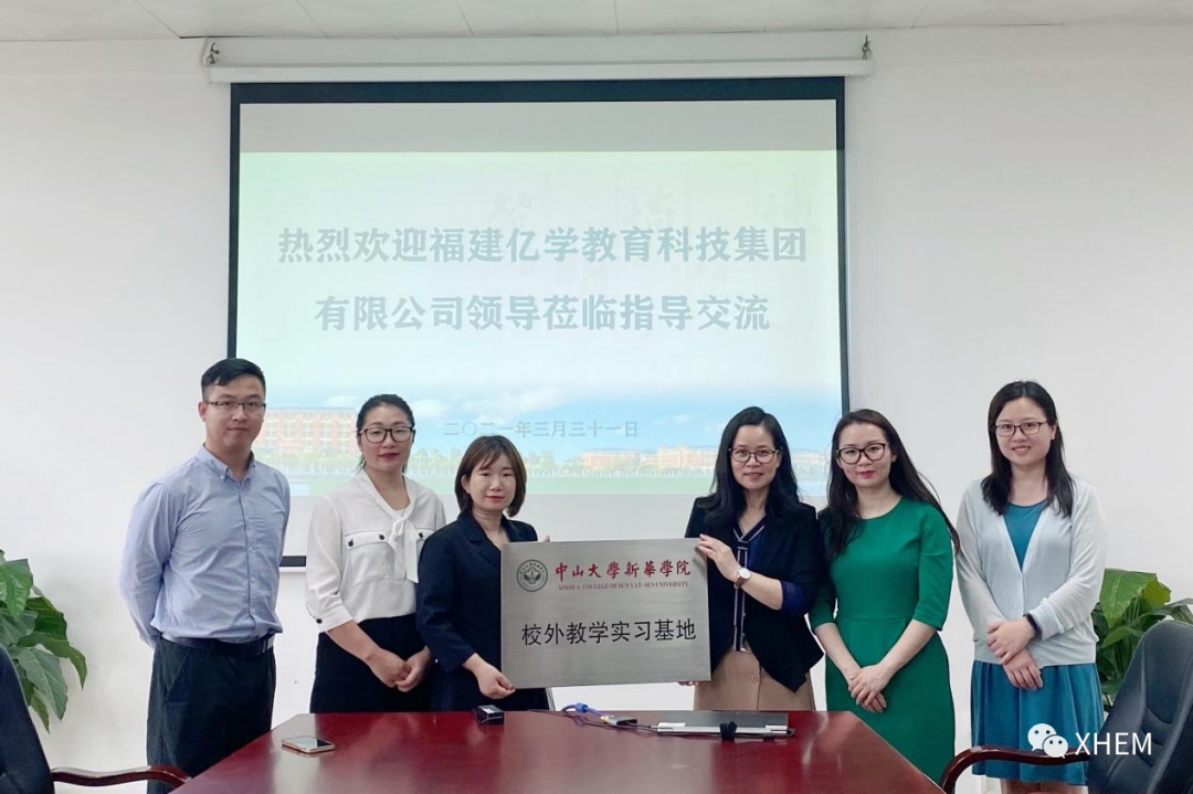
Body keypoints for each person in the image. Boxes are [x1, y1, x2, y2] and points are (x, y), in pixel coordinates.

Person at [118, 358, 289, 793]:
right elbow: (137, 578)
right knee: (181, 784)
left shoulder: (276, 486)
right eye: (226, 402)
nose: (240, 414)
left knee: (249, 783)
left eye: (252, 403)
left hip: (257, 664)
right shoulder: (172, 490)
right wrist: (169, 643)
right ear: (203, 409)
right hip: (192, 667)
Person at [956, 382, 1106, 794]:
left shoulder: (1081, 497)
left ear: (1052, 428)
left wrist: (1028, 627)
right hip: (998, 664)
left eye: (1029, 425)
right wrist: (1007, 645)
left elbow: (1086, 582)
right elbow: (969, 575)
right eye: (1005, 427)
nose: (1017, 436)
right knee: (1013, 786)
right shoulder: (976, 497)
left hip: (1061, 664)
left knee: (1061, 783)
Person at [810, 408, 956, 781]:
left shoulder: (925, 519)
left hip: (914, 674)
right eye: (851, 452)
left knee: (919, 779)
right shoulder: (827, 524)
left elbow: (932, 608)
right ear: (838, 461)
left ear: (892, 451)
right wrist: (854, 674)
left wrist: (883, 672)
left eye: (873, 448)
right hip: (848, 675)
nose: (863, 460)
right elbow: (820, 608)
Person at [305, 394, 447, 712]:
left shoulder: (430, 503)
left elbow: (442, 590)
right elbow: (321, 599)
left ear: (412, 437)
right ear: (359, 439)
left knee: (421, 744)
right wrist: (374, 656)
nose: (388, 441)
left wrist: (427, 655)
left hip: (417, 658)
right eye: (376, 432)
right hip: (351, 653)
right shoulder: (334, 504)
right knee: (343, 744)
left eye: (399, 430)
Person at [682, 406, 823, 709]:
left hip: (781, 668)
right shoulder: (706, 514)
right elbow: (689, 590)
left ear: (779, 457)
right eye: (742, 453)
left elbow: (801, 598)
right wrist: (686, 654)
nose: (752, 462)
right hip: (717, 667)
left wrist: (738, 572)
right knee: (712, 742)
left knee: (789, 743)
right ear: (728, 456)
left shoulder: (800, 519)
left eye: (763, 453)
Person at [416, 435, 549, 711]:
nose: (496, 484)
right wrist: (478, 667)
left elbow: (531, 609)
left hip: (525, 681)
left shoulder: (526, 535)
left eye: (507, 474)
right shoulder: (445, 543)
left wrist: (550, 575)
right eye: (485, 474)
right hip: (468, 683)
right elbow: (432, 620)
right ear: (466, 482)